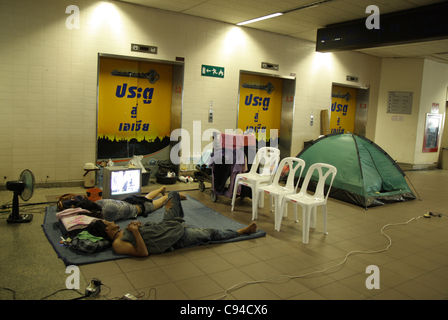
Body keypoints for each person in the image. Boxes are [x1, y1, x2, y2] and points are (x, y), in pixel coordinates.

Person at [87, 191, 258, 257]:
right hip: (175, 239)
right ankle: (241, 232)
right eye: (107, 222)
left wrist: (139, 226)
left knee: (173, 195)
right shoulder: (117, 244)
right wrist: (136, 232)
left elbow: (148, 230)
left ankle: (178, 222)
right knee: (210, 233)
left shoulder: (123, 231)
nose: (110, 221)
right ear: (106, 230)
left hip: (166, 226)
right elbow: (143, 253)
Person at [75, 186, 185, 221]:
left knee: (161, 201)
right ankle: (162, 188)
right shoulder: (99, 202)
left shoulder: (106, 212)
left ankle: (176, 195)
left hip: (141, 208)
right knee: (147, 197)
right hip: (130, 200)